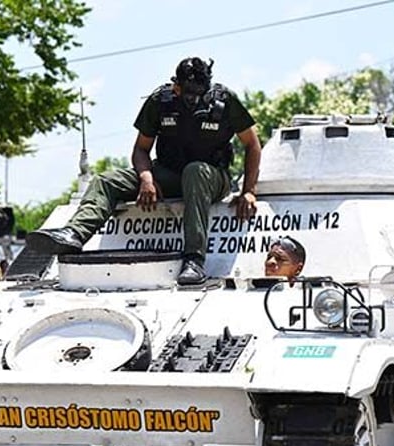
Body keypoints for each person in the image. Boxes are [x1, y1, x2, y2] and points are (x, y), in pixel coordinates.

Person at [30, 56, 262, 285]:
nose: (192, 100)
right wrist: (146, 178)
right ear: (176, 86)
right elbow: (141, 149)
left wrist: (248, 191)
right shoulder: (161, 102)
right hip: (168, 173)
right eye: (187, 93)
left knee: (195, 171)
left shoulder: (224, 101)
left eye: (198, 94)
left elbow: (252, 144)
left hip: (211, 177)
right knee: (106, 180)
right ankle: (75, 234)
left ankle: (194, 261)